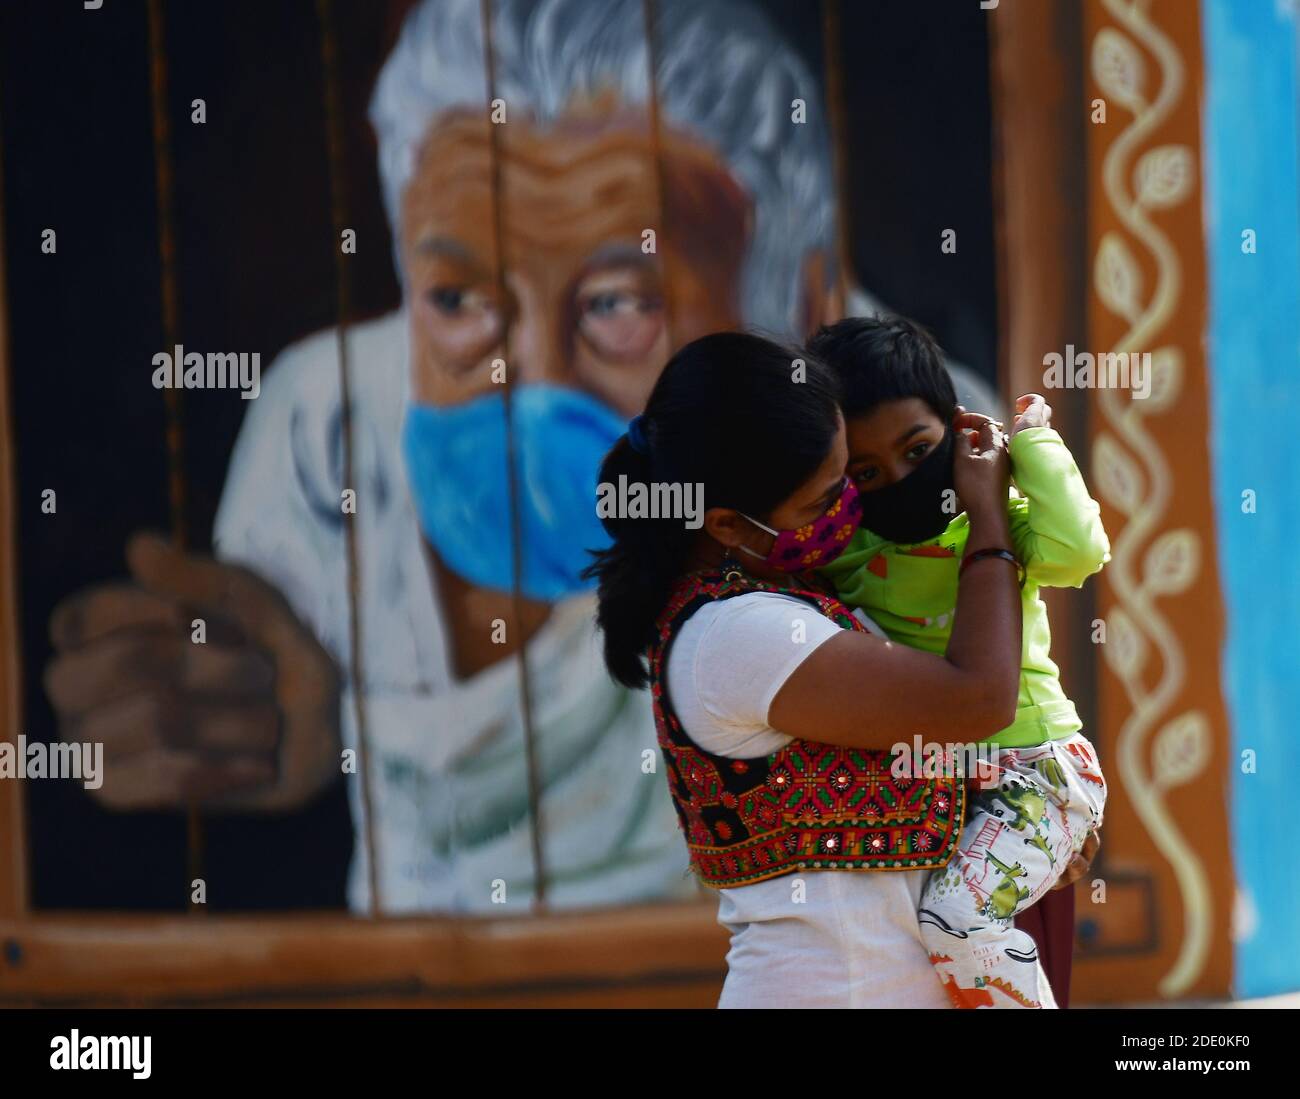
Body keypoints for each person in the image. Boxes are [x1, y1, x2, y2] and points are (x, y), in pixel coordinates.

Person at [43, 0, 999, 915]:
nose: (529, 381)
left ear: (801, 304)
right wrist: (286, 710)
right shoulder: (329, 427)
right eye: (459, 301)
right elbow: (269, 701)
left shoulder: (926, 459)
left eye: (619, 304)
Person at [585, 330, 1028, 1007]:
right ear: (729, 525)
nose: (850, 510)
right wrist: (990, 522)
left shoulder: (793, 602)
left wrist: (1031, 838)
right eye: (825, 499)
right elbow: (979, 697)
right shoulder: (740, 633)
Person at [810, 314, 1109, 1007]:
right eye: (867, 471)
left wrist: (1030, 449)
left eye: (919, 448)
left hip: (1039, 769)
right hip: (952, 785)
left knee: (957, 919)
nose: (901, 478)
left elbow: (1080, 552)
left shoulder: (996, 516)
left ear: (959, 426)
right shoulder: (849, 554)